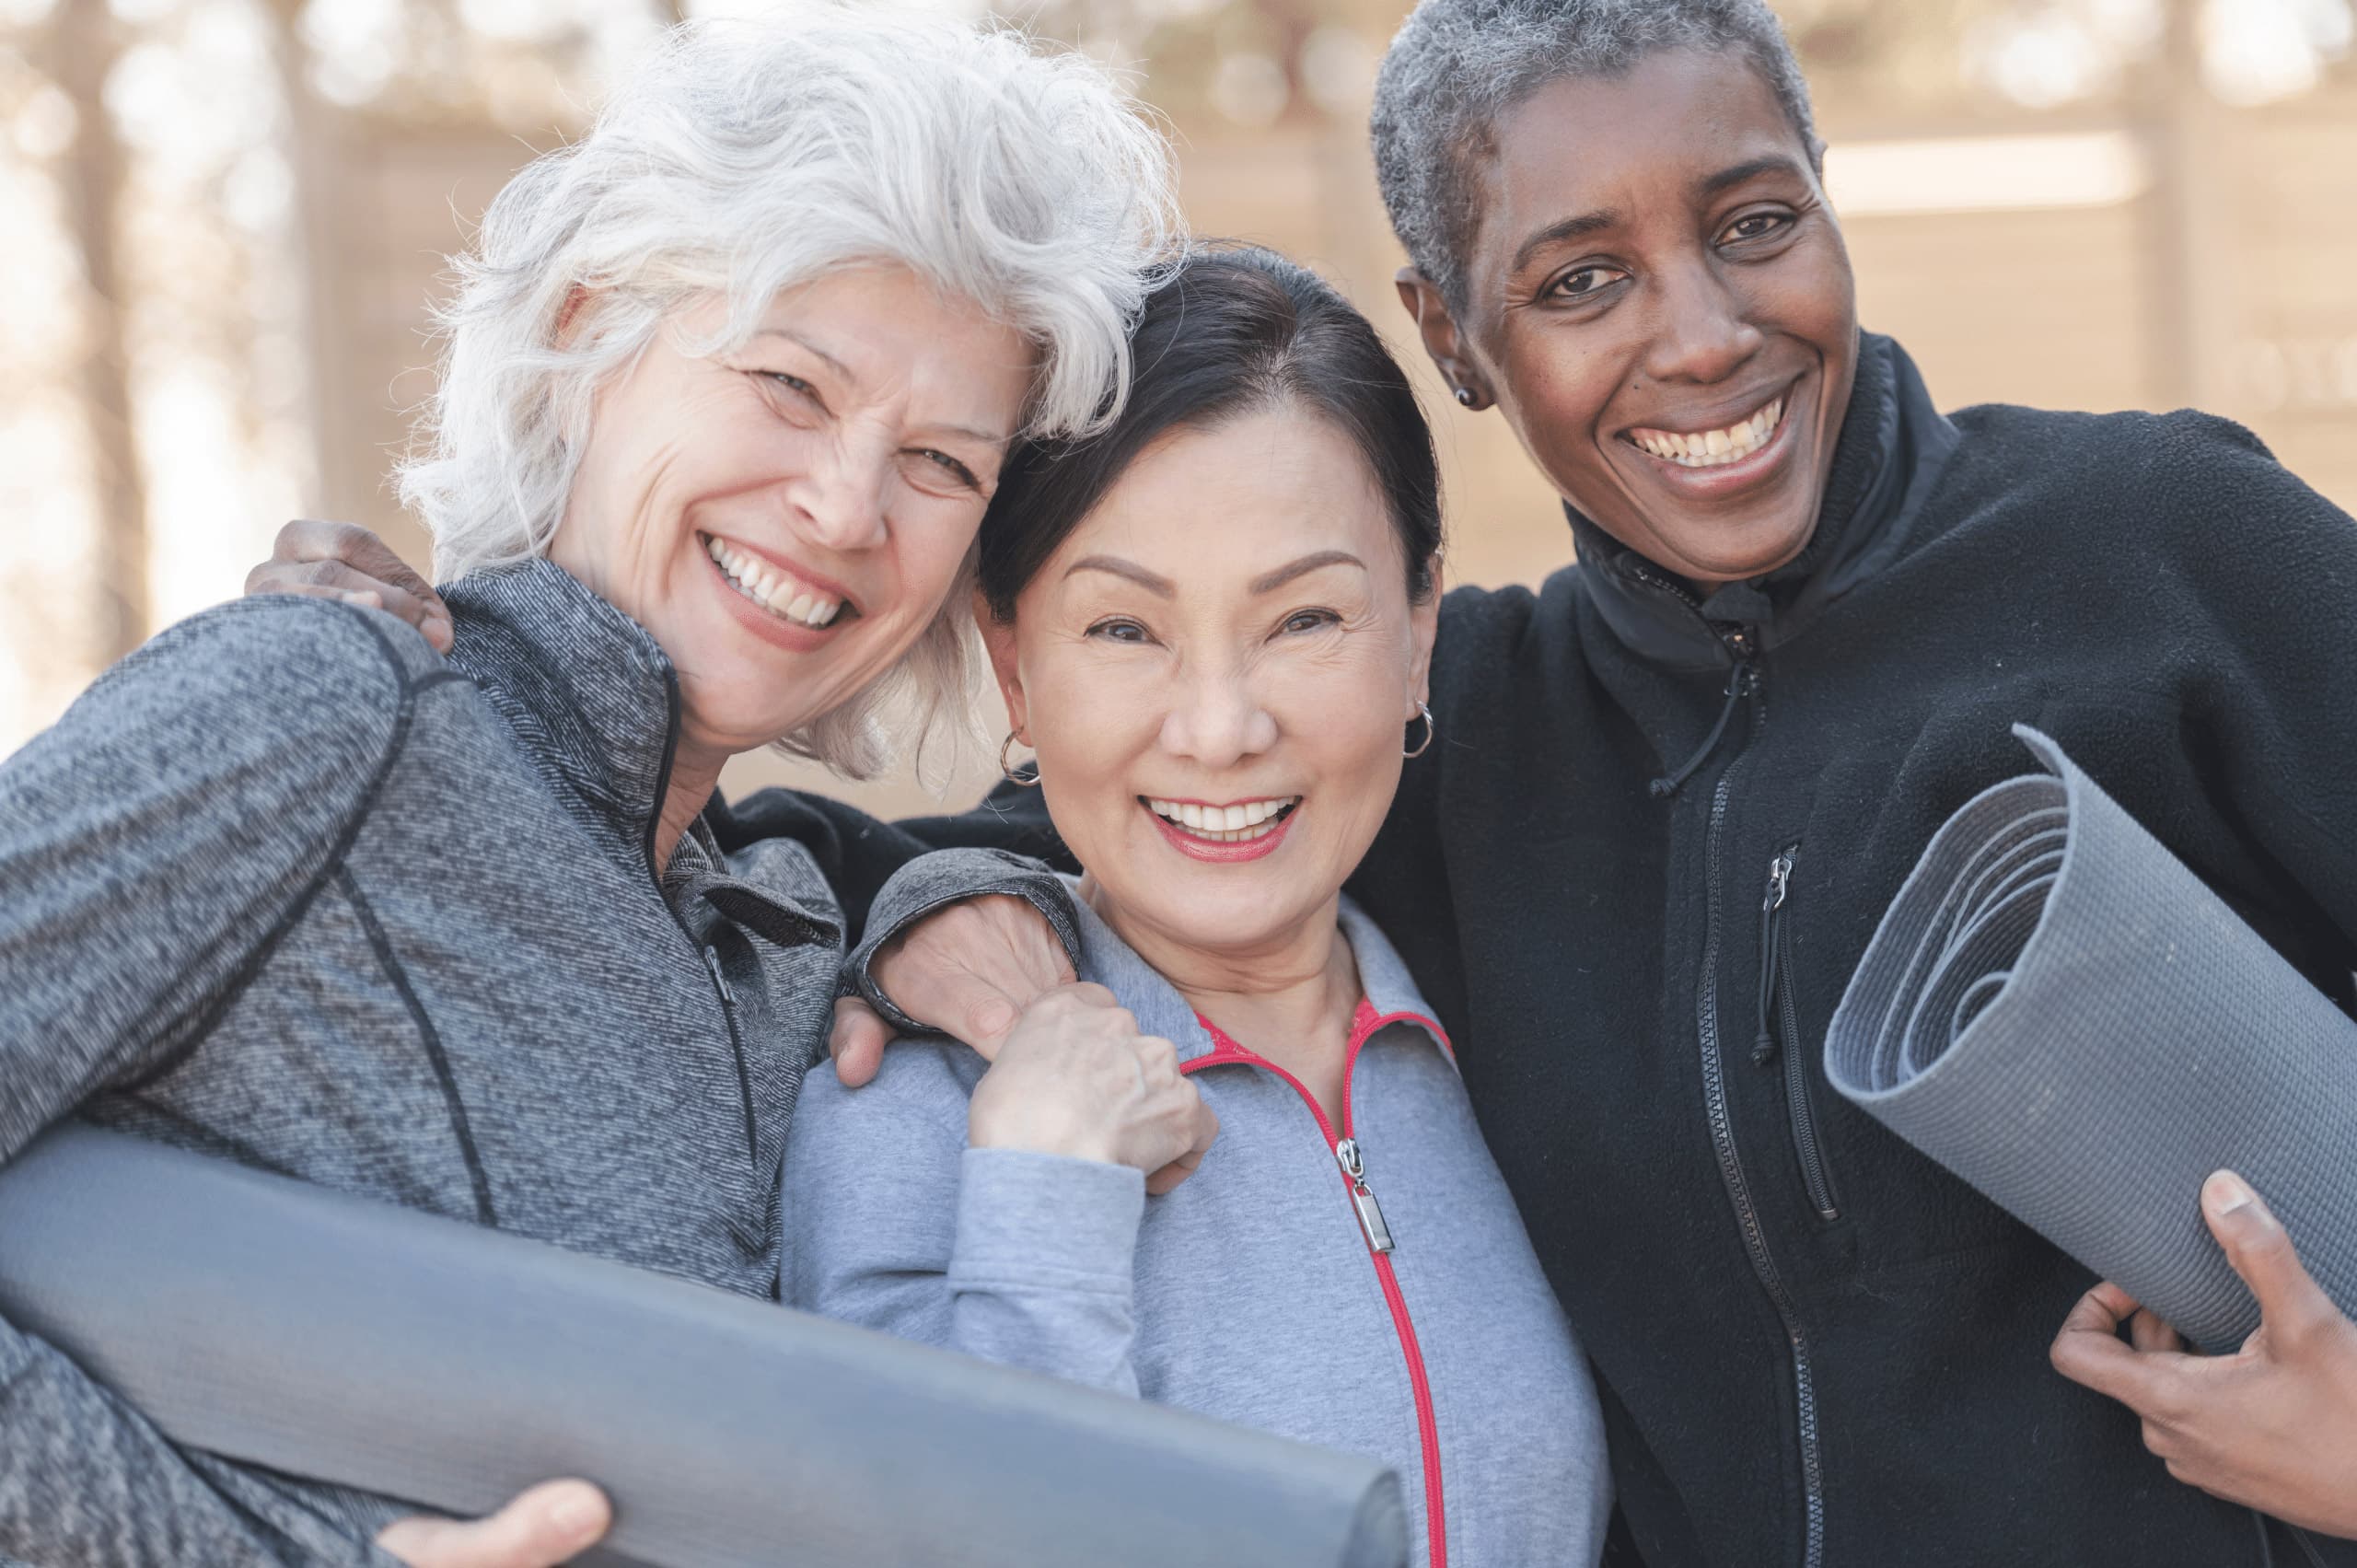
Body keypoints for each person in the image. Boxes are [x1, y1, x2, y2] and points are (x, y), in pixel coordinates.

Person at [252, 1, 2357, 1560]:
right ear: (1456, 337)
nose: (1701, 337)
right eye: (1579, 280)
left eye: (1753, 223)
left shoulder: (2159, 548)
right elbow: (1038, 819)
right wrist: (917, 915)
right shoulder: (1469, 740)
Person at [0, 8, 1178, 1564]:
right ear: (584, 334)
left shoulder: (778, 930)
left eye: (941, 464)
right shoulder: (322, 713)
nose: (843, 505)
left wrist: (933, 893)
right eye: (790, 384)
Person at [780, 248, 1610, 1568]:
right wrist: (1044, 1193)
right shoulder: (910, 1105)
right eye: (1124, 630)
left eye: (1304, 621)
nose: (1220, 729)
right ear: (1015, 665)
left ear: (1416, 634)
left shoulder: (1509, 1036)